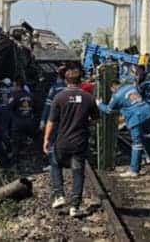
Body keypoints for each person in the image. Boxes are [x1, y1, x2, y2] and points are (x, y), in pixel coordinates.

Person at [44, 68, 99, 218]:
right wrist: (85, 123)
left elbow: (51, 122)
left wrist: (46, 139)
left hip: (62, 141)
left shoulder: (59, 97)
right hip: (80, 142)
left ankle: (59, 195)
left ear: (66, 81)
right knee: (78, 172)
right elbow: (95, 120)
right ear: (80, 81)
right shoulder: (88, 98)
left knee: (55, 164)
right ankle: (75, 206)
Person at [98, 77, 150, 177]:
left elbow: (108, 110)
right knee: (145, 136)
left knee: (136, 144)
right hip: (147, 112)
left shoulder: (116, 96)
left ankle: (134, 170)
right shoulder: (131, 87)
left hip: (135, 117)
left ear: (113, 87)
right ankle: (148, 157)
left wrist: (99, 104)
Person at [8, 77, 36, 164]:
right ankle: (31, 158)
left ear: (16, 85)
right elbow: (35, 108)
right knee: (29, 141)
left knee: (15, 142)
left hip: (18, 122)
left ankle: (15, 161)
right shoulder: (30, 95)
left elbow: (9, 108)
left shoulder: (14, 95)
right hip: (29, 121)